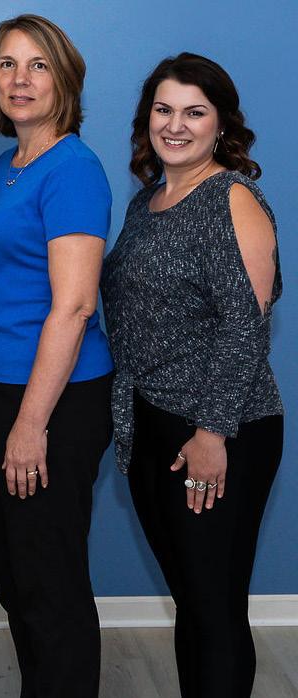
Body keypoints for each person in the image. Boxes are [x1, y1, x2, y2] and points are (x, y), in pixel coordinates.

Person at [101, 53, 282, 698]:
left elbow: (245, 327)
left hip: (219, 430)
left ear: (221, 124)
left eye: (194, 112)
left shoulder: (231, 198)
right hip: (153, 421)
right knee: (193, 600)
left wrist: (211, 434)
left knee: (214, 605)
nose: (175, 125)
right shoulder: (147, 201)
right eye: (163, 109)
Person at [0, 15, 113, 697]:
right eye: (7, 64)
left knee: (49, 583)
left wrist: (29, 423)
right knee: (17, 577)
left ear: (65, 80)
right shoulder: (7, 167)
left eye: (37, 65)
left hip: (54, 401)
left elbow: (74, 307)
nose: (19, 80)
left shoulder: (73, 168)